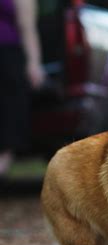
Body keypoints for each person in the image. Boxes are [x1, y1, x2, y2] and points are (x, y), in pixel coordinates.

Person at [0, 0, 44, 176]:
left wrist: (34, 64)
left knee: (9, 119)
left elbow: (27, 27)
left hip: (7, 59)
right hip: (8, 58)